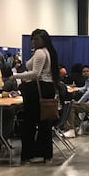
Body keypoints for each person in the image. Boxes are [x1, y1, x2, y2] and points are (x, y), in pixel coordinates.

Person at [12, 29, 59, 164]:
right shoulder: (48, 52)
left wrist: (16, 76)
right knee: (45, 123)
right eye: (33, 39)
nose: (34, 41)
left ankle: (28, 153)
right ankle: (45, 153)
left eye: (37, 39)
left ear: (43, 40)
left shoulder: (39, 53)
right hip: (46, 88)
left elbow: (35, 74)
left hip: (37, 89)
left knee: (30, 123)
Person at [64, 65, 89, 136]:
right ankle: (78, 126)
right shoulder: (88, 80)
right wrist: (75, 89)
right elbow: (84, 88)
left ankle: (71, 129)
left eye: (87, 71)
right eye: (84, 72)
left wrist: (79, 102)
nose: (86, 73)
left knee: (71, 106)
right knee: (72, 106)